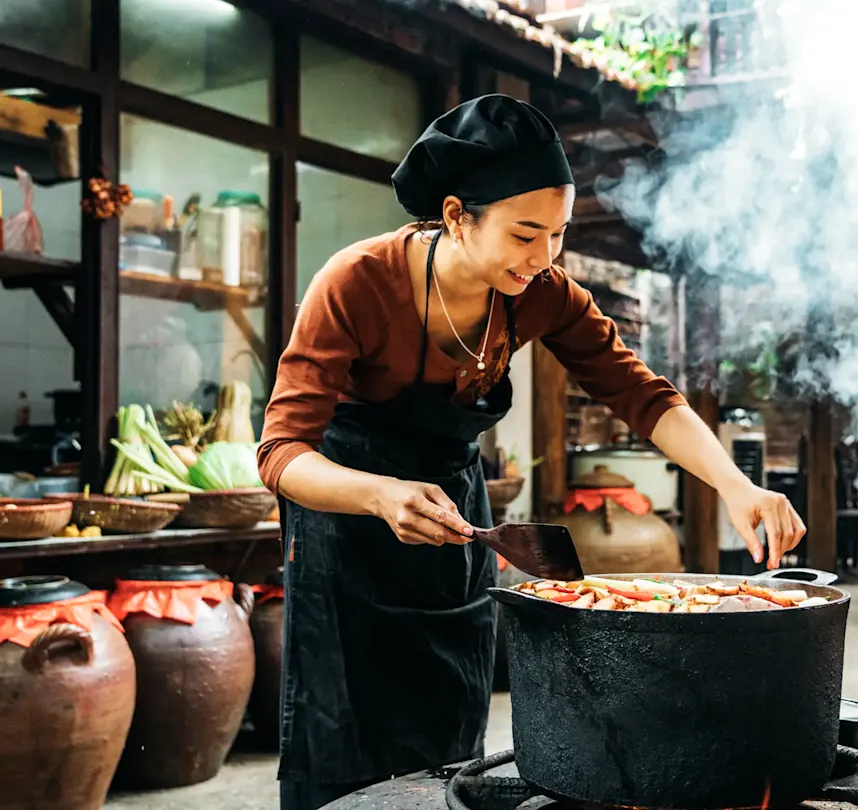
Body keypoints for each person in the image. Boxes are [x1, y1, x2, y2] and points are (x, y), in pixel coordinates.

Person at [258, 94, 807, 810]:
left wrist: (734, 485)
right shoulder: (358, 282)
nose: (544, 257)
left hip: (452, 509)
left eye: (557, 234)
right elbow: (280, 452)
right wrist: (378, 494)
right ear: (457, 215)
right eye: (525, 234)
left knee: (450, 718)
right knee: (344, 729)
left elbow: (641, 395)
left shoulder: (541, 293)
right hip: (343, 514)